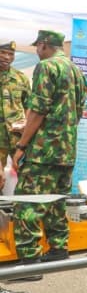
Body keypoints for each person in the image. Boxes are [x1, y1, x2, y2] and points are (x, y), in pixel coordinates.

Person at [11, 30, 87, 279]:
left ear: (44, 45)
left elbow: (39, 109)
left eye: (38, 47)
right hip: (66, 149)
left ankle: (31, 261)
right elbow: (72, 109)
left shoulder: (46, 67)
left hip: (43, 151)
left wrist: (22, 145)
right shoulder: (76, 70)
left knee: (28, 204)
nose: (36, 52)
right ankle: (58, 250)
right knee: (56, 202)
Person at [0, 39, 30, 193]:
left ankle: (21, 212)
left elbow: (29, 107)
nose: (6, 57)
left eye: (10, 54)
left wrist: (26, 128)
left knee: (25, 174)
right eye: (3, 52)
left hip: (17, 137)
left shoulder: (20, 78)